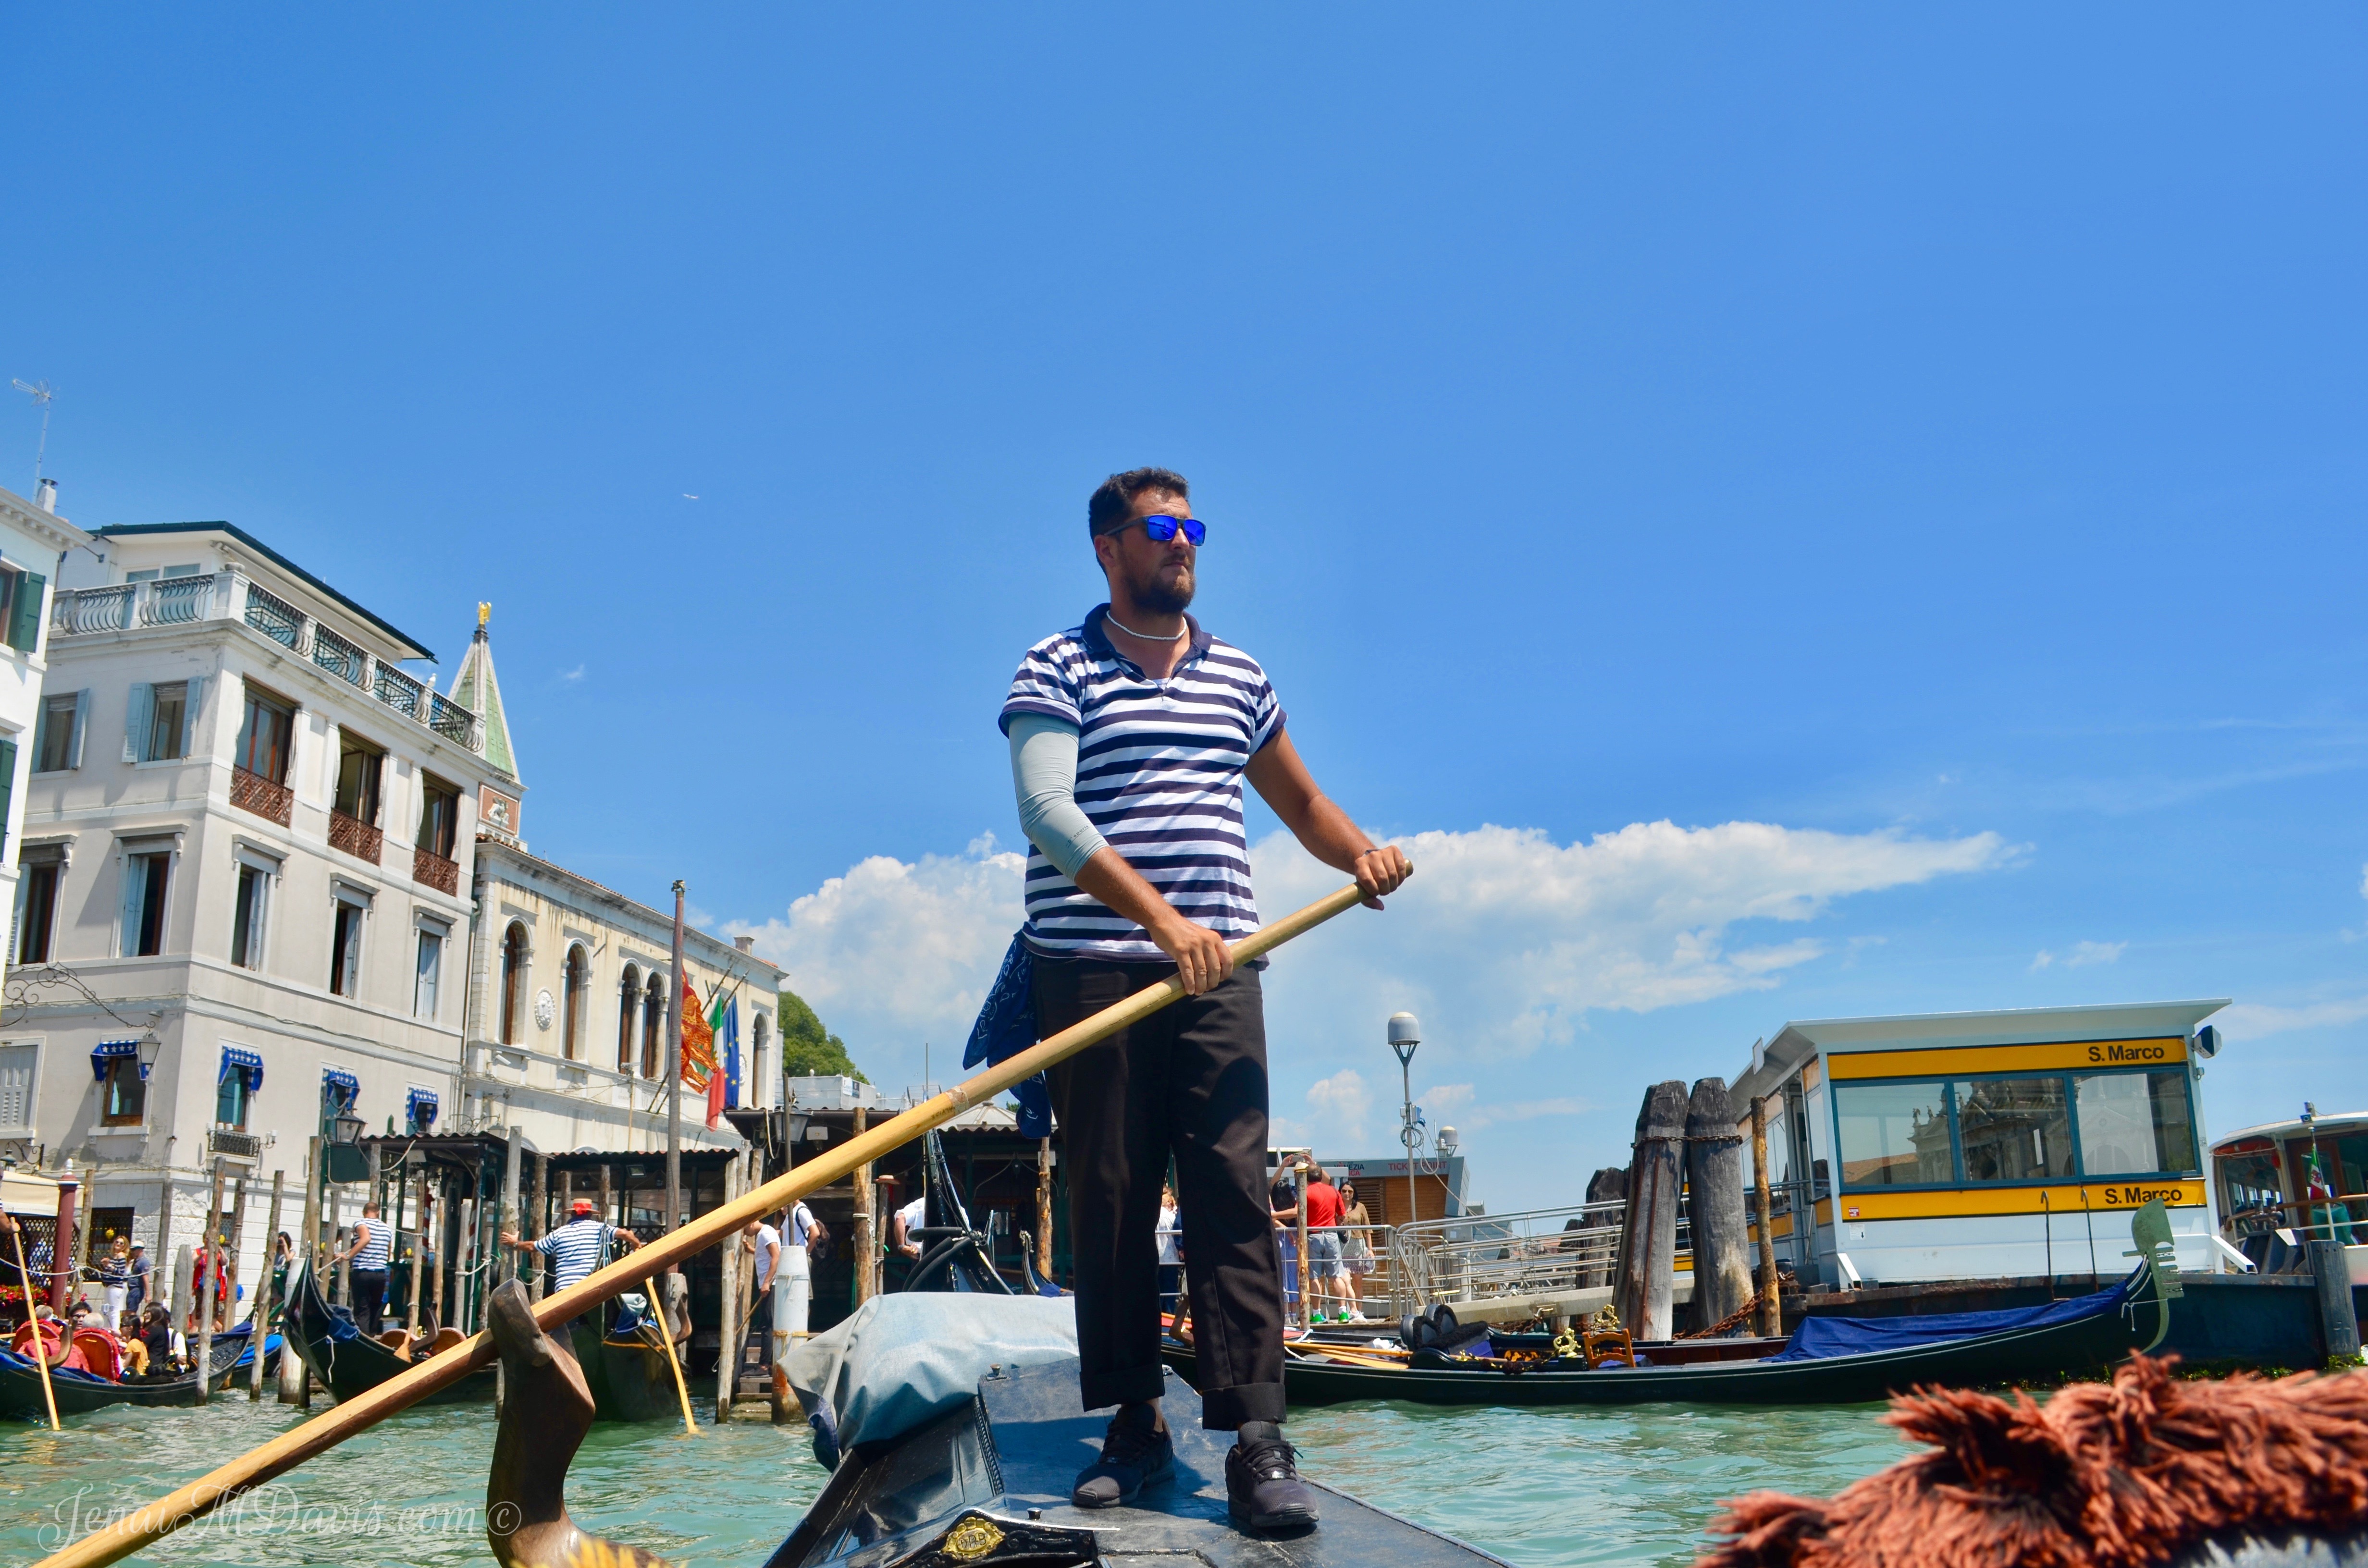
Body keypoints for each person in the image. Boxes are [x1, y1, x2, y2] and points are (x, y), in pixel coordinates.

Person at [1001, 466, 1411, 1532]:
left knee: (1231, 1190)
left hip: (1221, 969)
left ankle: (1257, 1437)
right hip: (1092, 968)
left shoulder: (1238, 675)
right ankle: (1134, 1418)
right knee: (1112, 1196)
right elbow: (1047, 811)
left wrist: (1358, 856)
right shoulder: (1058, 666)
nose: (1183, 543)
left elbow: (1304, 802)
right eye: (1161, 528)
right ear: (1108, 548)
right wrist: (1159, 922)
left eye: (1193, 527)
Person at [498, 1197, 639, 1301]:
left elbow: (533, 1247)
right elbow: (625, 1234)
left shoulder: (560, 1232)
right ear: (590, 1214)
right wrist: (636, 1244)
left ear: (572, 1214)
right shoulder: (599, 1228)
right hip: (589, 1286)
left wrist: (515, 1243)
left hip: (563, 1290)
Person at [1299, 1164, 1348, 1323]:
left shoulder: (1305, 1192)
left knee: (1314, 1278)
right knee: (1336, 1276)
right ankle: (1343, 1313)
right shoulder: (1333, 1191)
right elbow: (1342, 1215)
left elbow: (1298, 1211)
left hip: (1314, 1237)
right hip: (1332, 1236)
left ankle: (1317, 1314)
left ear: (1306, 1178)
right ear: (1321, 1176)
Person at [776, 1197, 823, 1359]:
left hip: (799, 1260)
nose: (781, 1207)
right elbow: (784, 1234)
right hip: (790, 1261)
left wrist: (805, 1254)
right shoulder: (790, 1214)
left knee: (803, 1295)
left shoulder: (801, 1211)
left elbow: (815, 1232)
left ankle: (801, 1329)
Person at [338, 1201, 395, 1335]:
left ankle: (364, 1338)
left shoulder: (360, 1224)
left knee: (362, 1309)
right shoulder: (387, 1229)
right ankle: (371, 1335)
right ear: (378, 1212)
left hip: (362, 1272)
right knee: (375, 1306)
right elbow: (388, 1255)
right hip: (380, 1274)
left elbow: (366, 1238)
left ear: (364, 1213)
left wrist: (348, 1256)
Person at [1338, 1182, 1375, 1320]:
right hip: (1342, 1247)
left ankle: (1359, 1312)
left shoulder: (1360, 1207)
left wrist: (1370, 1249)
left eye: (1350, 1191)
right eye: (1344, 1191)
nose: (1347, 1194)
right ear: (1340, 1192)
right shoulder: (1337, 1206)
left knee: (1358, 1282)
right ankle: (1353, 1312)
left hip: (1358, 1246)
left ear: (1354, 1193)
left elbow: (1368, 1229)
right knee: (1345, 1280)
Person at [1269, 1168, 1301, 1322]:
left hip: (1279, 1240)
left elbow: (1272, 1219)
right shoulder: (1294, 1201)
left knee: (1281, 1278)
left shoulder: (1272, 1203)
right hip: (1294, 1241)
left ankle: (1284, 1315)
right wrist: (1290, 1231)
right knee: (1293, 1277)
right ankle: (1294, 1314)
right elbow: (1296, 1213)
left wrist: (1282, 1166)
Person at [1156, 1184, 1183, 1320]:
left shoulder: (1154, 1216)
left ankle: (1160, 1317)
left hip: (1158, 1258)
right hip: (1170, 1258)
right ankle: (1171, 1317)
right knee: (1171, 1290)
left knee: (1159, 1289)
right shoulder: (1170, 1217)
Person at [99, 1238, 134, 1327]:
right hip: (109, 1287)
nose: (118, 1244)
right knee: (107, 1310)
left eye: (121, 1243)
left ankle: (115, 1330)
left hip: (115, 1287)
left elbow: (120, 1272)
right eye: (117, 1242)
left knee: (114, 1311)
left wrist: (109, 1265)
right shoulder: (113, 1257)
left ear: (124, 1246)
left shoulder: (121, 1255)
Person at [126, 1242, 150, 1316]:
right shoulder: (137, 1262)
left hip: (137, 1289)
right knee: (129, 1311)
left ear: (140, 1250)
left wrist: (148, 1295)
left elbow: (146, 1278)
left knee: (131, 1313)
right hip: (132, 1289)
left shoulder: (143, 1262)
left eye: (134, 1250)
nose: (132, 1252)